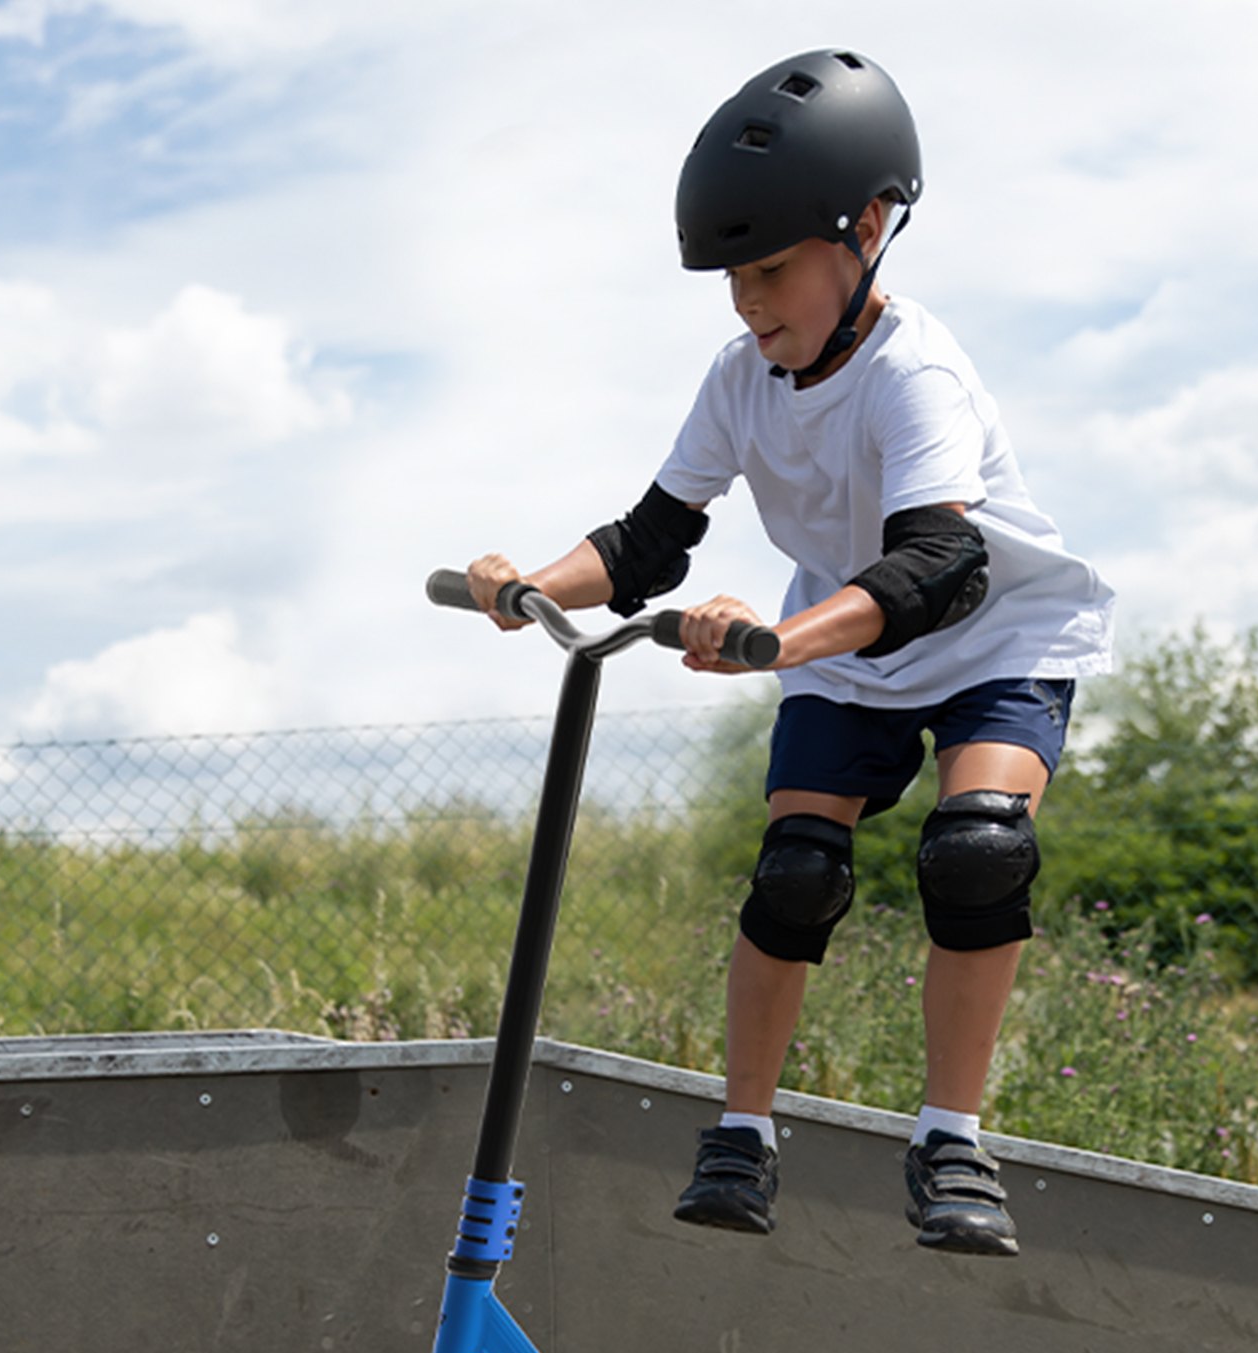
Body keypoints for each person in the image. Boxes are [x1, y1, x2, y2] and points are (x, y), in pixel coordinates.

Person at [467, 49, 1114, 1256]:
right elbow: (651, 539)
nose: (747, 302)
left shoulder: (912, 371)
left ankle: (949, 1137)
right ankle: (742, 1136)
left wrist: (775, 643)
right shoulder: (740, 379)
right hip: (840, 636)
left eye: (769, 269)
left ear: (866, 229)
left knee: (975, 852)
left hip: (989, 638)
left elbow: (937, 565)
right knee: (795, 874)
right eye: (730, 279)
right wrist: (525, 586)